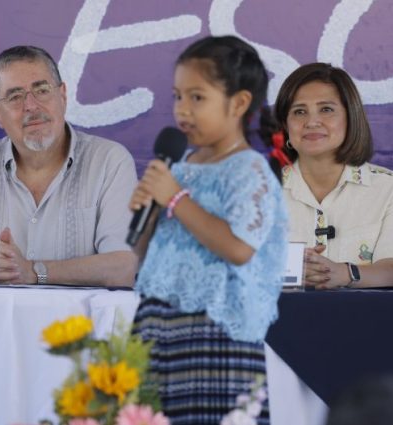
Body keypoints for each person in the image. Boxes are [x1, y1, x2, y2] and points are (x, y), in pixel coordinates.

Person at [129, 35, 288, 424]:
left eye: (197, 98)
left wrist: (176, 199)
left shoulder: (250, 171)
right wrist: (147, 214)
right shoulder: (179, 166)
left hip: (217, 340)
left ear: (238, 103)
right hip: (160, 332)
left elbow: (239, 248)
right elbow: (144, 253)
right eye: (177, 96)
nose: (182, 110)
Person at [0, 46, 138, 286]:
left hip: (78, 323)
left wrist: (34, 272)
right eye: (15, 97)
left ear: (63, 95)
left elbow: (123, 267)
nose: (31, 106)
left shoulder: (109, 161)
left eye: (42, 90)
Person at [274, 63, 393, 289]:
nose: (311, 122)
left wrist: (343, 273)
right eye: (299, 111)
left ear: (351, 118)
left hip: (364, 320)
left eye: (326, 109)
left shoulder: (391, 188)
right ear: (285, 125)